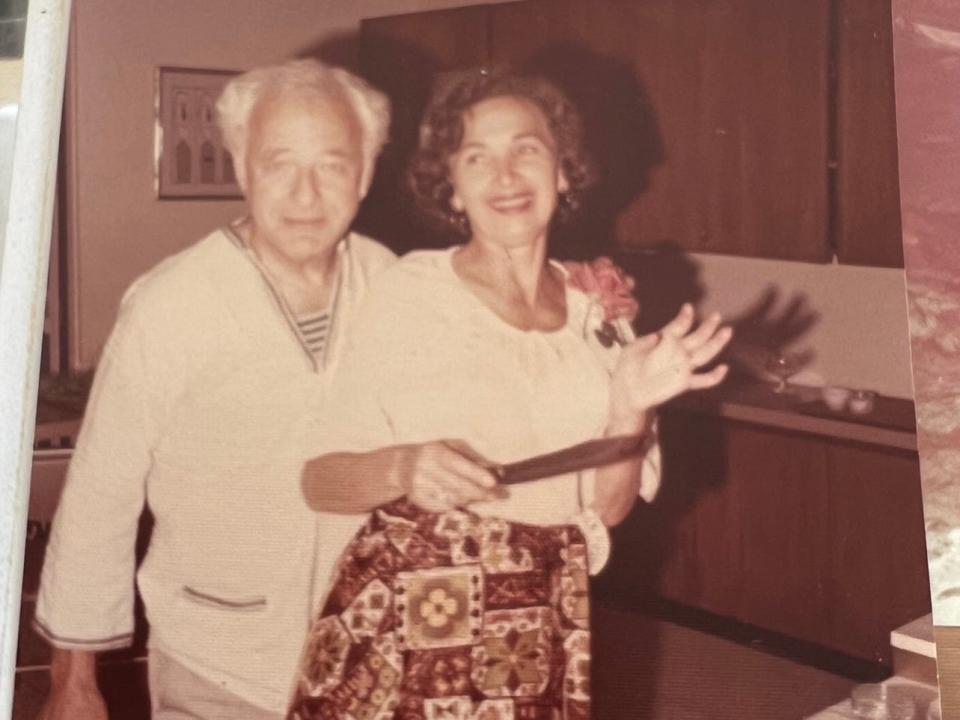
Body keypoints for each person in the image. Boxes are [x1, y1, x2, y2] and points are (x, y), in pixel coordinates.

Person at [287, 70, 732, 719]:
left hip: (539, 620)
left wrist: (631, 406)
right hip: (411, 617)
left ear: (562, 172)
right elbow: (319, 480)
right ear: (454, 190)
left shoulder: (598, 315)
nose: (505, 174)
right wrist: (403, 466)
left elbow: (603, 515)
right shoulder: (411, 297)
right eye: (477, 156)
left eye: (526, 148)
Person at [33, 59, 397, 720]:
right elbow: (99, 493)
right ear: (240, 168)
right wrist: (73, 680)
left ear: (366, 173)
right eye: (279, 164)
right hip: (218, 661)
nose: (306, 195)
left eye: (333, 166)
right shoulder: (171, 305)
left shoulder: (394, 284)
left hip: (366, 654)